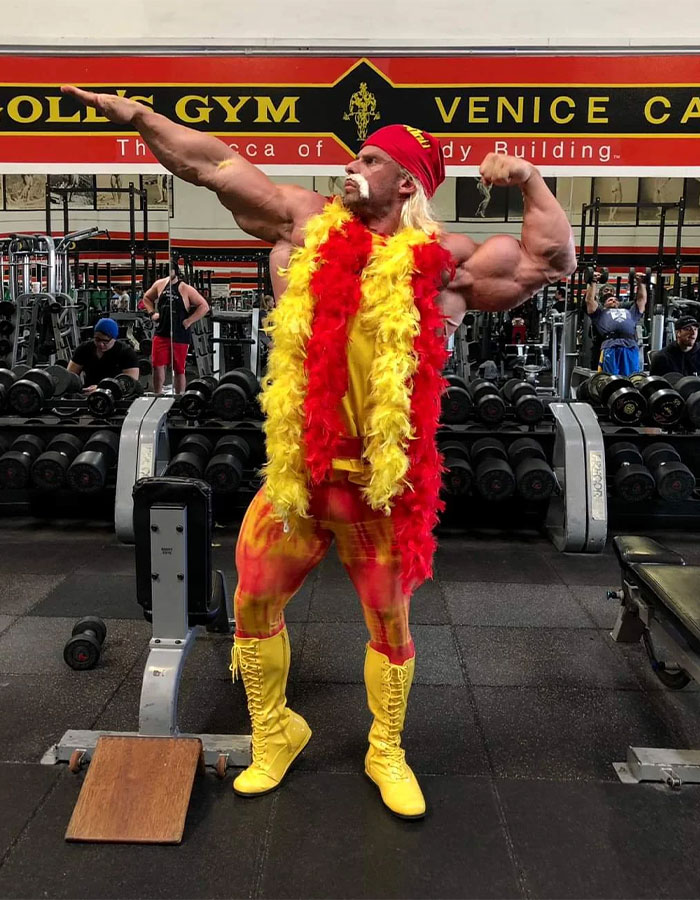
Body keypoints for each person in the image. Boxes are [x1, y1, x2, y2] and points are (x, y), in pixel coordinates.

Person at [62, 84, 576, 819]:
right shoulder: (303, 225)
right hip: (299, 477)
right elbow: (213, 166)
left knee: (389, 624)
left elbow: (548, 262)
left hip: (382, 489)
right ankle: (276, 732)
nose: (350, 164)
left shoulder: (445, 263)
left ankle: (386, 748)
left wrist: (528, 178)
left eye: (368, 157)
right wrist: (142, 117)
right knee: (253, 600)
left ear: (408, 180)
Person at [140, 262, 209, 394]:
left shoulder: (186, 289)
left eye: (171, 270)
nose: (168, 273)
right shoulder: (159, 284)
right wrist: (152, 313)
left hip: (180, 334)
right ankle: (158, 394)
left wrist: (189, 321)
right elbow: (147, 297)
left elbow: (204, 306)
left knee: (178, 369)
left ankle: (179, 397)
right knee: (157, 366)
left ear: (176, 272)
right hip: (161, 332)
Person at [585, 274, 647, 375]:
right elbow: (589, 300)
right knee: (610, 379)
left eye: (615, 300)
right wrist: (593, 282)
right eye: (610, 300)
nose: (613, 300)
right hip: (610, 347)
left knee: (632, 377)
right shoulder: (600, 313)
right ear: (604, 304)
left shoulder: (629, 312)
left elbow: (641, 300)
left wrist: (641, 283)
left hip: (630, 347)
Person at [67, 318, 140, 392]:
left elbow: (131, 385)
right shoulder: (83, 349)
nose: (101, 344)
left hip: (117, 396)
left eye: (105, 341)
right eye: (97, 339)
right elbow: (70, 378)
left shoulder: (126, 353)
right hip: (88, 395)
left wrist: (101, 389)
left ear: (114, 339)